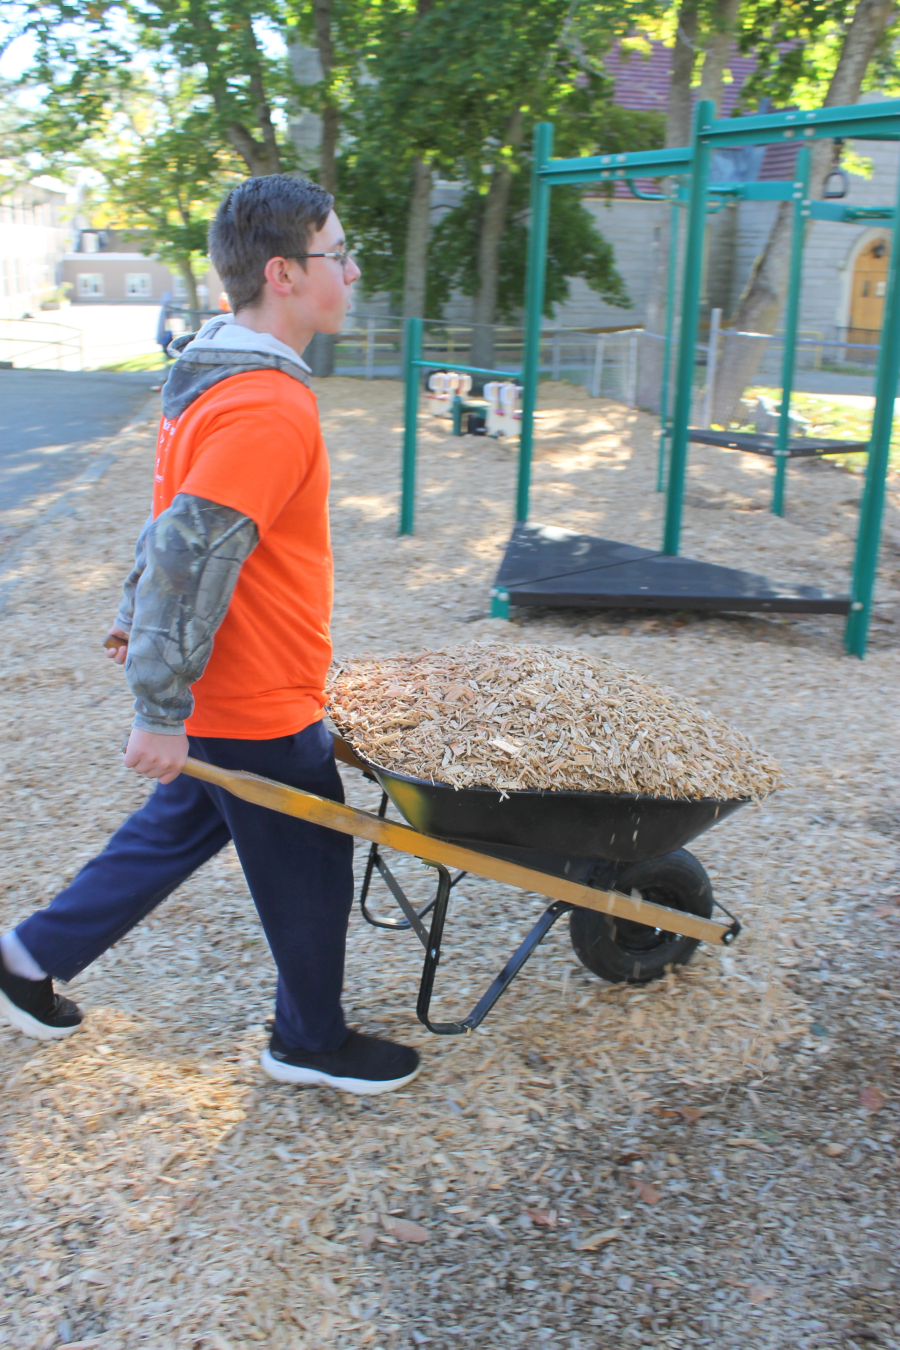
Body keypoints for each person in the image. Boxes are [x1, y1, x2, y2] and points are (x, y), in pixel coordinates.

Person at [0, 176, 421, 1097]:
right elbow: (188, 557)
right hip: (251, 695)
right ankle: (307, 1040)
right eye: (337, 254)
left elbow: (169, 532)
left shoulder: (215, 380)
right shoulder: (265, 406)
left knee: (180, 826)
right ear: (283, 273)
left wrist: (137, 632)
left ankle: (29, 955)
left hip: (236, 685)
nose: (350, 271)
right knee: (310, 855)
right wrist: (158, 706)